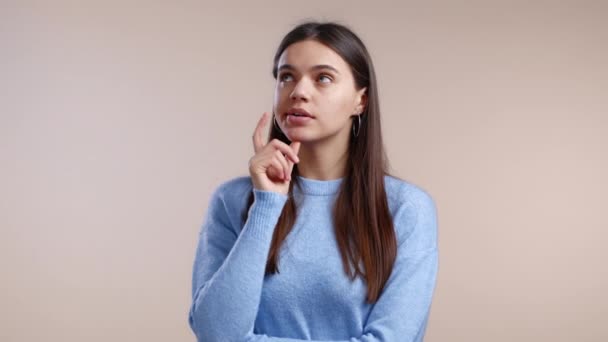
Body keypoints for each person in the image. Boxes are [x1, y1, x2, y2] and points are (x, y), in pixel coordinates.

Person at [188, 21, 439, 341]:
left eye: (322, 78)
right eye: (286, 76)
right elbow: (216, 334)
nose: (298, 92)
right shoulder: (232, 201)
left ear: (360, 100)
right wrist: (266, 205)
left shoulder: (406, 209)